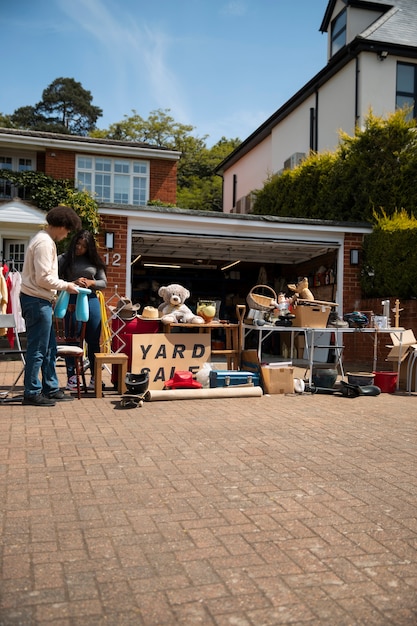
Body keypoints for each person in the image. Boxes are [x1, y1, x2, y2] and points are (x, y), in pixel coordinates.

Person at [20, 205, 82, 406]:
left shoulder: (42, 240)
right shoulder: (45, 243)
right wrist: (67, 286)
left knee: (48, 348)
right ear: (62, 226)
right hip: (37, 300)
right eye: (68, 230)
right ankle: (32, 391)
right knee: (38, 348)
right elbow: (44, 278)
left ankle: (50, 387)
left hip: (38, 300)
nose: (67, 235)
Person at [58, 230, 107, 390]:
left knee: (93, 340)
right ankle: (72, 378)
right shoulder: (63, 259)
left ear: (89, 248)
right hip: (70, 299)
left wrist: (91, 283)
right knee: (72, 338)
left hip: (91, 300)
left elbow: (103, 283)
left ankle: (95, 377)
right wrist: (72, 282)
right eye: (77, 244)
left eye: (84, 246)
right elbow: (55, 280)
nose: (79, 248)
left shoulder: (94, 260)